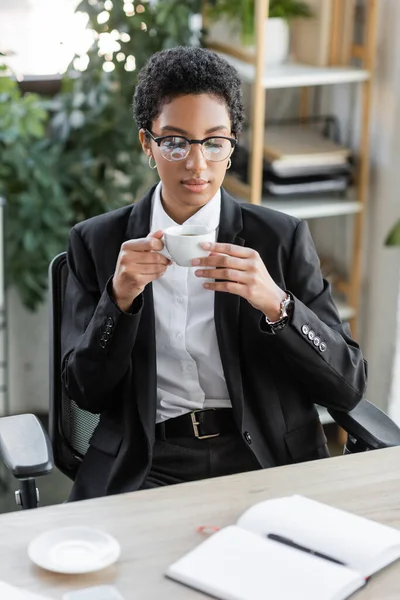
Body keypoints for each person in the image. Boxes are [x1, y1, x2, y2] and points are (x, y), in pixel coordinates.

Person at [61, 46, 367, 501]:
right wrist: (118, 301)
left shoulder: (279, 238)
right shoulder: (99, 244)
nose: (197, 164)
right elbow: (86, 392)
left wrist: (278, 306)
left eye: (214, 142)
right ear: (147, 143)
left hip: (264, 458)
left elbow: (348, 384)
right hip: (146, 462)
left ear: (232, 144)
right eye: (176, 141)